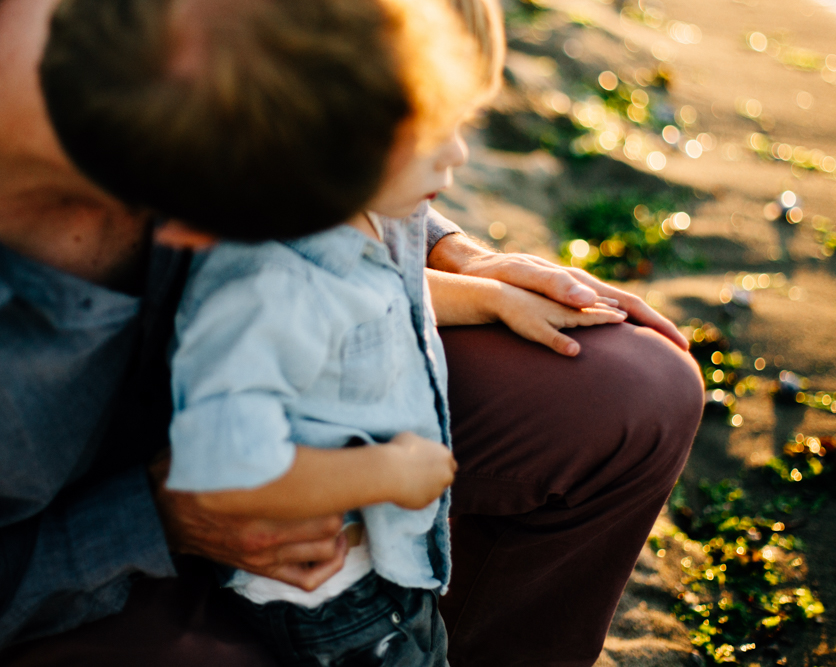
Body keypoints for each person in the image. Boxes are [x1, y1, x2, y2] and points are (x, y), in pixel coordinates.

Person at [0, 0, 703, 665]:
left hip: (296, 404)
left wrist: (453, 254)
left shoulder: (211, 80)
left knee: (633, 392)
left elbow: (323, 99)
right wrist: (152, 521)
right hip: (79, 546)